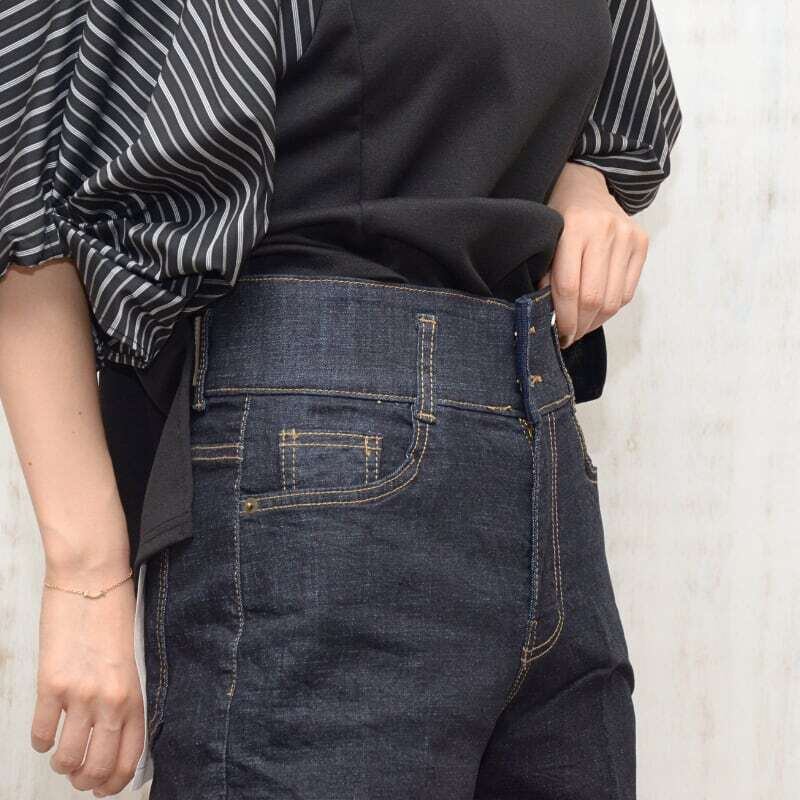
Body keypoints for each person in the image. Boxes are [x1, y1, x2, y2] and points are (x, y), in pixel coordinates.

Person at [0, 0, 681, 797]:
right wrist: (86, 574)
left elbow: (616, 107)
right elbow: (28, 174)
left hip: (542, 456)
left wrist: (586, 183)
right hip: (312, 469)